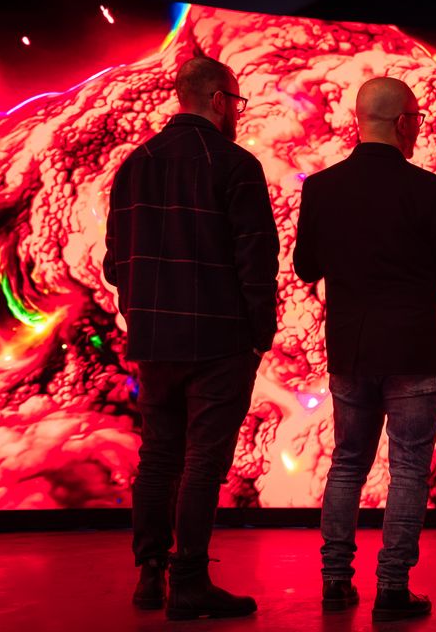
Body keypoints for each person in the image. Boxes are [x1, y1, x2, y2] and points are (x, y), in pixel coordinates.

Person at [293, 76, 436, 622]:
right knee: (408, 470)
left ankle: (335, 580)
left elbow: (305, 267)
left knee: (347, 464)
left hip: (351, 352)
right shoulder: (428, 190)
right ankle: (392, 588)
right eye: (417, 119)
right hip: (415, 352)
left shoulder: (322, 188)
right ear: (404, 122)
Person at [103, 56, 279, 620]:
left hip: (154, 337)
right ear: (219, 99)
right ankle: (190, 582)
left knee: (158, 456)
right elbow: (258, 260)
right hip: (220, 341)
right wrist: (259, 335)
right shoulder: (235, 165)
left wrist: (146, 303)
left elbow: (114, 261)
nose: (238, 113)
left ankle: (149, 576)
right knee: (203, 460)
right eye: (237, 102)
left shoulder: (135, 165)